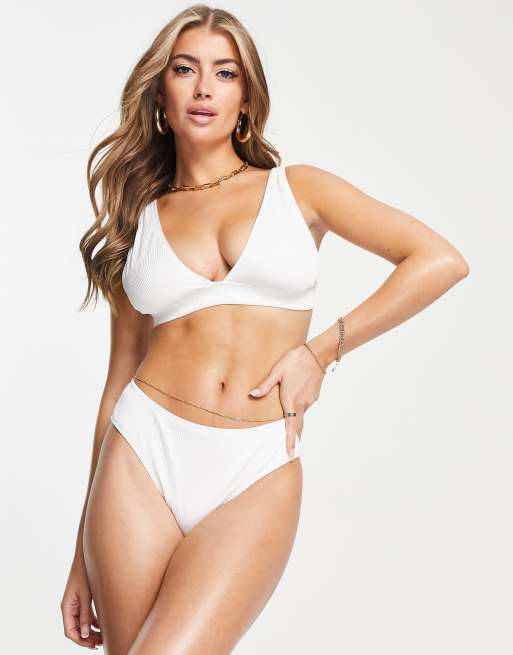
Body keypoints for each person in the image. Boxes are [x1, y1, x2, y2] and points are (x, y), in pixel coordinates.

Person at [60, 4, 470, 653]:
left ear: (246, 99)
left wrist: (321, 351)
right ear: (160, 94)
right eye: (185, 69)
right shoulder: (138, 218)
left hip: (253, 467)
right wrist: (79, 555)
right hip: (140, 454)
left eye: (224, 73)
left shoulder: (298, 191)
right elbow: (116, 384)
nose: (203, 87)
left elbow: (439, 260)